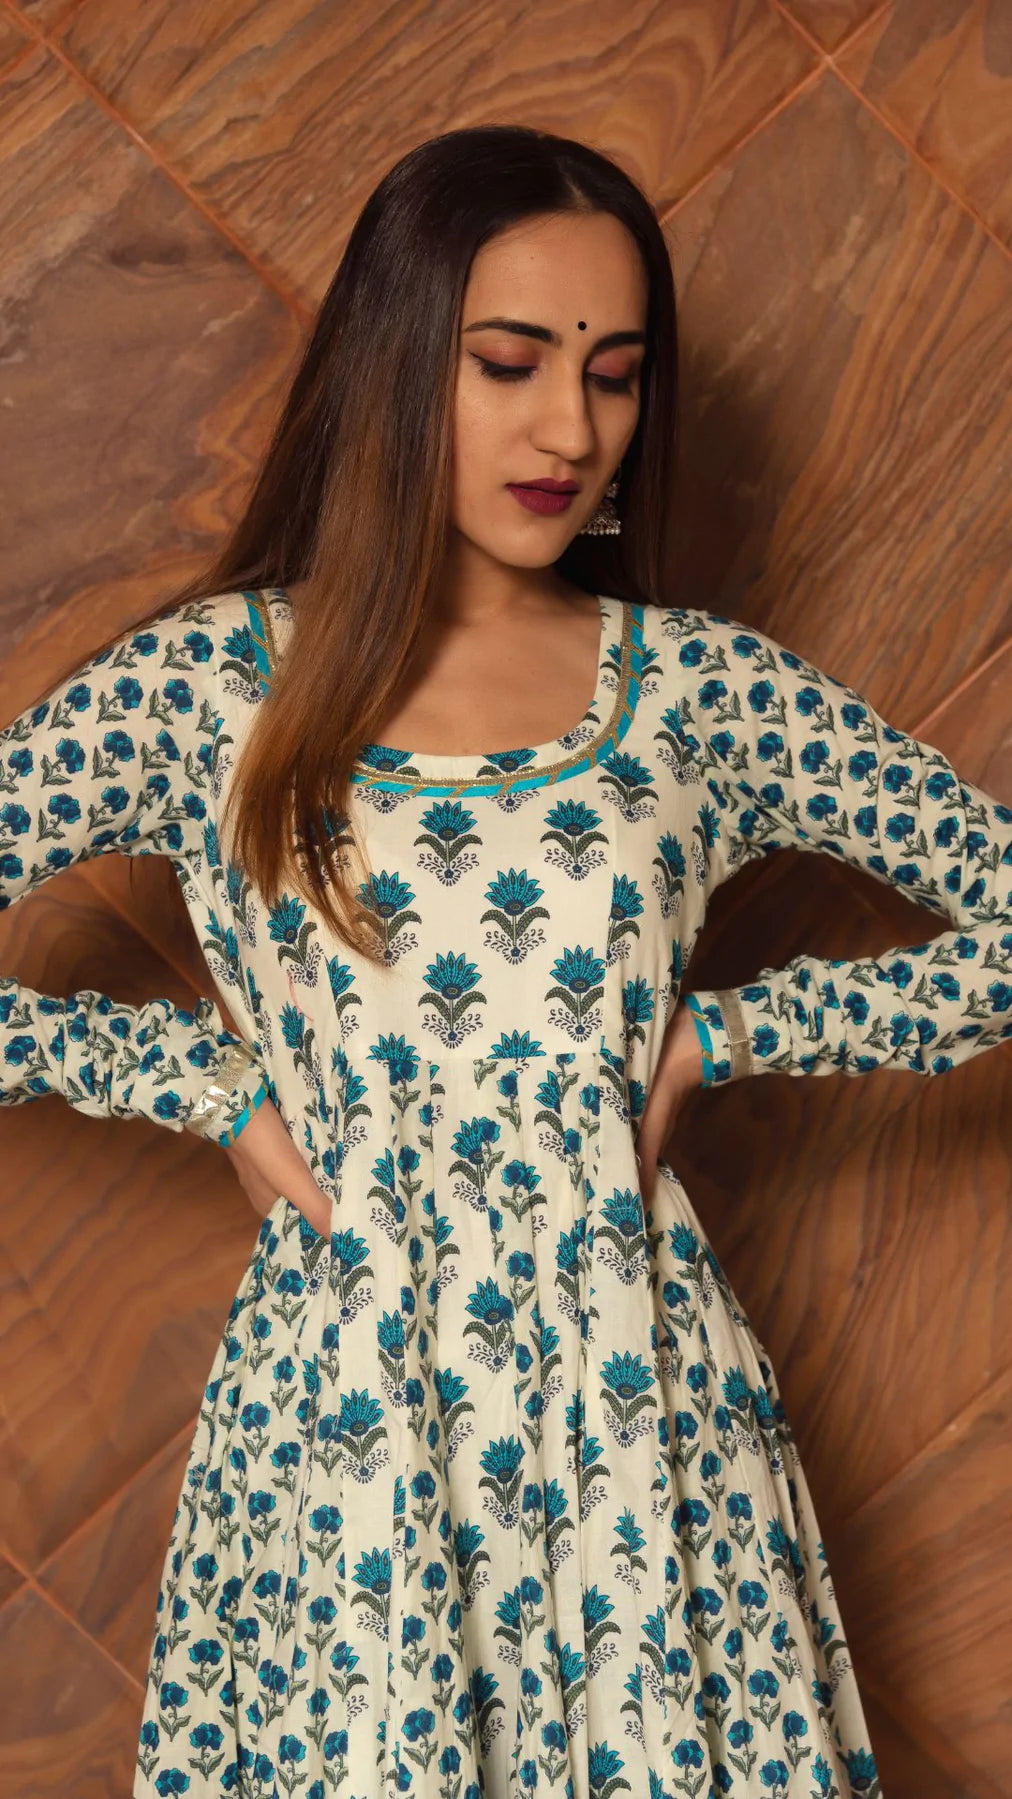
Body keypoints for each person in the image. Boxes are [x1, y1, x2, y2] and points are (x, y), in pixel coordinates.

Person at [1, 123, 1008, 1799]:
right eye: (510, 362)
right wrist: (198, 1084)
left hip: (643, 1426)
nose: (572, 430)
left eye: (615, 375)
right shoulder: (210, 688)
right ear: (399, 360)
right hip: (349, 1429)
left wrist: (727, 1038)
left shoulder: (698, 693)